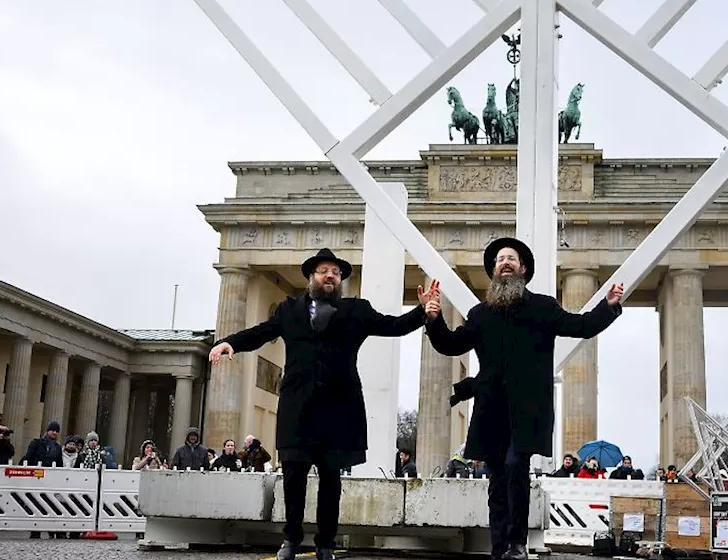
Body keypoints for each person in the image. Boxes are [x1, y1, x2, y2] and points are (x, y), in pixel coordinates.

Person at [208, 247, 442, 560]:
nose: (329, 275)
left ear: (341, 278)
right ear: (311, 277)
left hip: (339, 408)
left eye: (335, 272)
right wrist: (230, 342)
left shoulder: (357, 311)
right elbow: (261, 333)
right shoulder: (289, 309)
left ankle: (325, 544)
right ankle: (290, 541)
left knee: (331, 480)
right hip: (298, 408)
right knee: (293, 477)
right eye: (323, 271)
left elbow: (392, 325)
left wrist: (422, 311)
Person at [424, 237, 624, 560]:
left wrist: (609, 306)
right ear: (493, 271)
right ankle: (499, 545)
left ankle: (517, 543)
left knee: (516, 464)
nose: (505, 262)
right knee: (496, 478)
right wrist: (433, 319)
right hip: (491, 409)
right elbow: (450, 344)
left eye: (511, 258)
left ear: (523, 269)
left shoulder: (543, 307)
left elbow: (582, 326)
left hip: (528, 409)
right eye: (500, 259)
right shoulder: (479, 314)